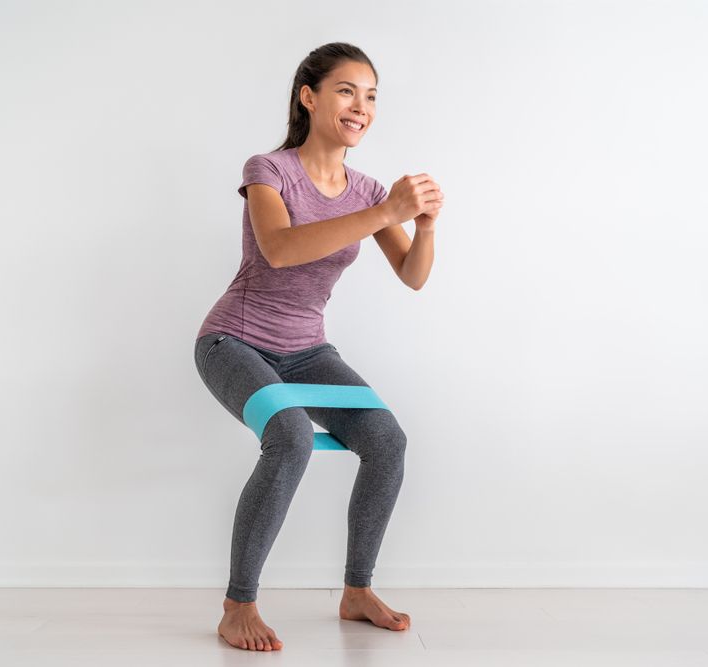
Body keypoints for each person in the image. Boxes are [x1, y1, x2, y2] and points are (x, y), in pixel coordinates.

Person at [194, 42, 443, 652]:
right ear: (309, 97)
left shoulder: (367, 190)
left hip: (307, 349)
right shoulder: (267, 170)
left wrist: (424, 223)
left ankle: (357, 592)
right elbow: (280, 249)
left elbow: (412, 274)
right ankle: (238, 605)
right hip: (234, 340)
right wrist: (387, 209)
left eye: (371, 96)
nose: (361, 106)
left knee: (387, 441)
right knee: (292, 438)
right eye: (346, 91)